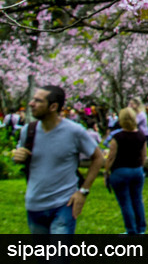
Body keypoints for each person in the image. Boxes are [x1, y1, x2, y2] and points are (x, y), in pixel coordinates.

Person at [12, 85, 104, 234]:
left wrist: (83, 191)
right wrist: (18, 157)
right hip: (35, 204)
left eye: (37, 101)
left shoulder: (74, 131)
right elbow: (20, 156)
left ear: (53, 107)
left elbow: (98, 158)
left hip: (64, 204)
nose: (31, 104)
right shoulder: (28, 131)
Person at [105, 107, 147, 234]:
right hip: (137, 170)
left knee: (125, 202)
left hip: (120, 171)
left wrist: (106, 171)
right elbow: (143, 155)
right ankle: (141, 228)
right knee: (137, 199)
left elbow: (111, 156)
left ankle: (130, 230)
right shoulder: (141, 136)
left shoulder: (117, 137)